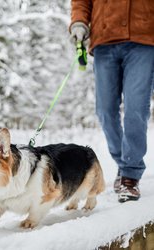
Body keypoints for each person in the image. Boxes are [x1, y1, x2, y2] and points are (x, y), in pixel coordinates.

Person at [69, 0, 154, 202]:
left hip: (143, 37)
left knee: (136, 108)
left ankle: (130, 174)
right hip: (104, 40)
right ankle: (124, 162)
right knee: (105, 110)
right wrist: (79, 22)